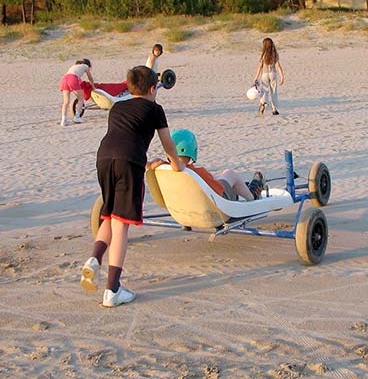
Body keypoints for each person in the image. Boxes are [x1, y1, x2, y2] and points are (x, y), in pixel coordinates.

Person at [80, 65, 184, 308]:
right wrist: (176, 164)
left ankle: (95, 259)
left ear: (128, 87)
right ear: (152, 88)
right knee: (121, 225)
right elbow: (167, 142)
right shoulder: (155, 108)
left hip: (104, 158)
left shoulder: (117, 107)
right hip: (128, 162)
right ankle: (113, 290)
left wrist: (143, 161)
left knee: (109, 214)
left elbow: (122, 138)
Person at [148, 129, 266, 202]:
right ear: (192, 151)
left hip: (183, 205)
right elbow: (219, 190)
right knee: (230, 174)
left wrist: (161, 162)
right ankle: (252, 197)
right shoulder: (197, 173)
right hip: (217, 204)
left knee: (222, 179)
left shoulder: (164, 170)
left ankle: (242, 187)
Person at [253, 37, 285, 116]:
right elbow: (278, 66)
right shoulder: (274, 54)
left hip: (264, 74)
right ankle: (274, 109)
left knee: (264, 91)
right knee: (273, 92)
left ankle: (263, 103)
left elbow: (260, 67)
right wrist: (282, 76)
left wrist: (256, 77)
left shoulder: (263, 55)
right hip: (273, 74)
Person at [59, 59, 95, 126]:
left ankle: (63, 120)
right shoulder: (85, 66)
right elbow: (90, 78)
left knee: (66, 101)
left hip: (64, 79)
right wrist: (93, 86)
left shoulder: (75, 66)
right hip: (72, 79)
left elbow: (78, 79)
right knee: (81, 98)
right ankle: (77, 117)